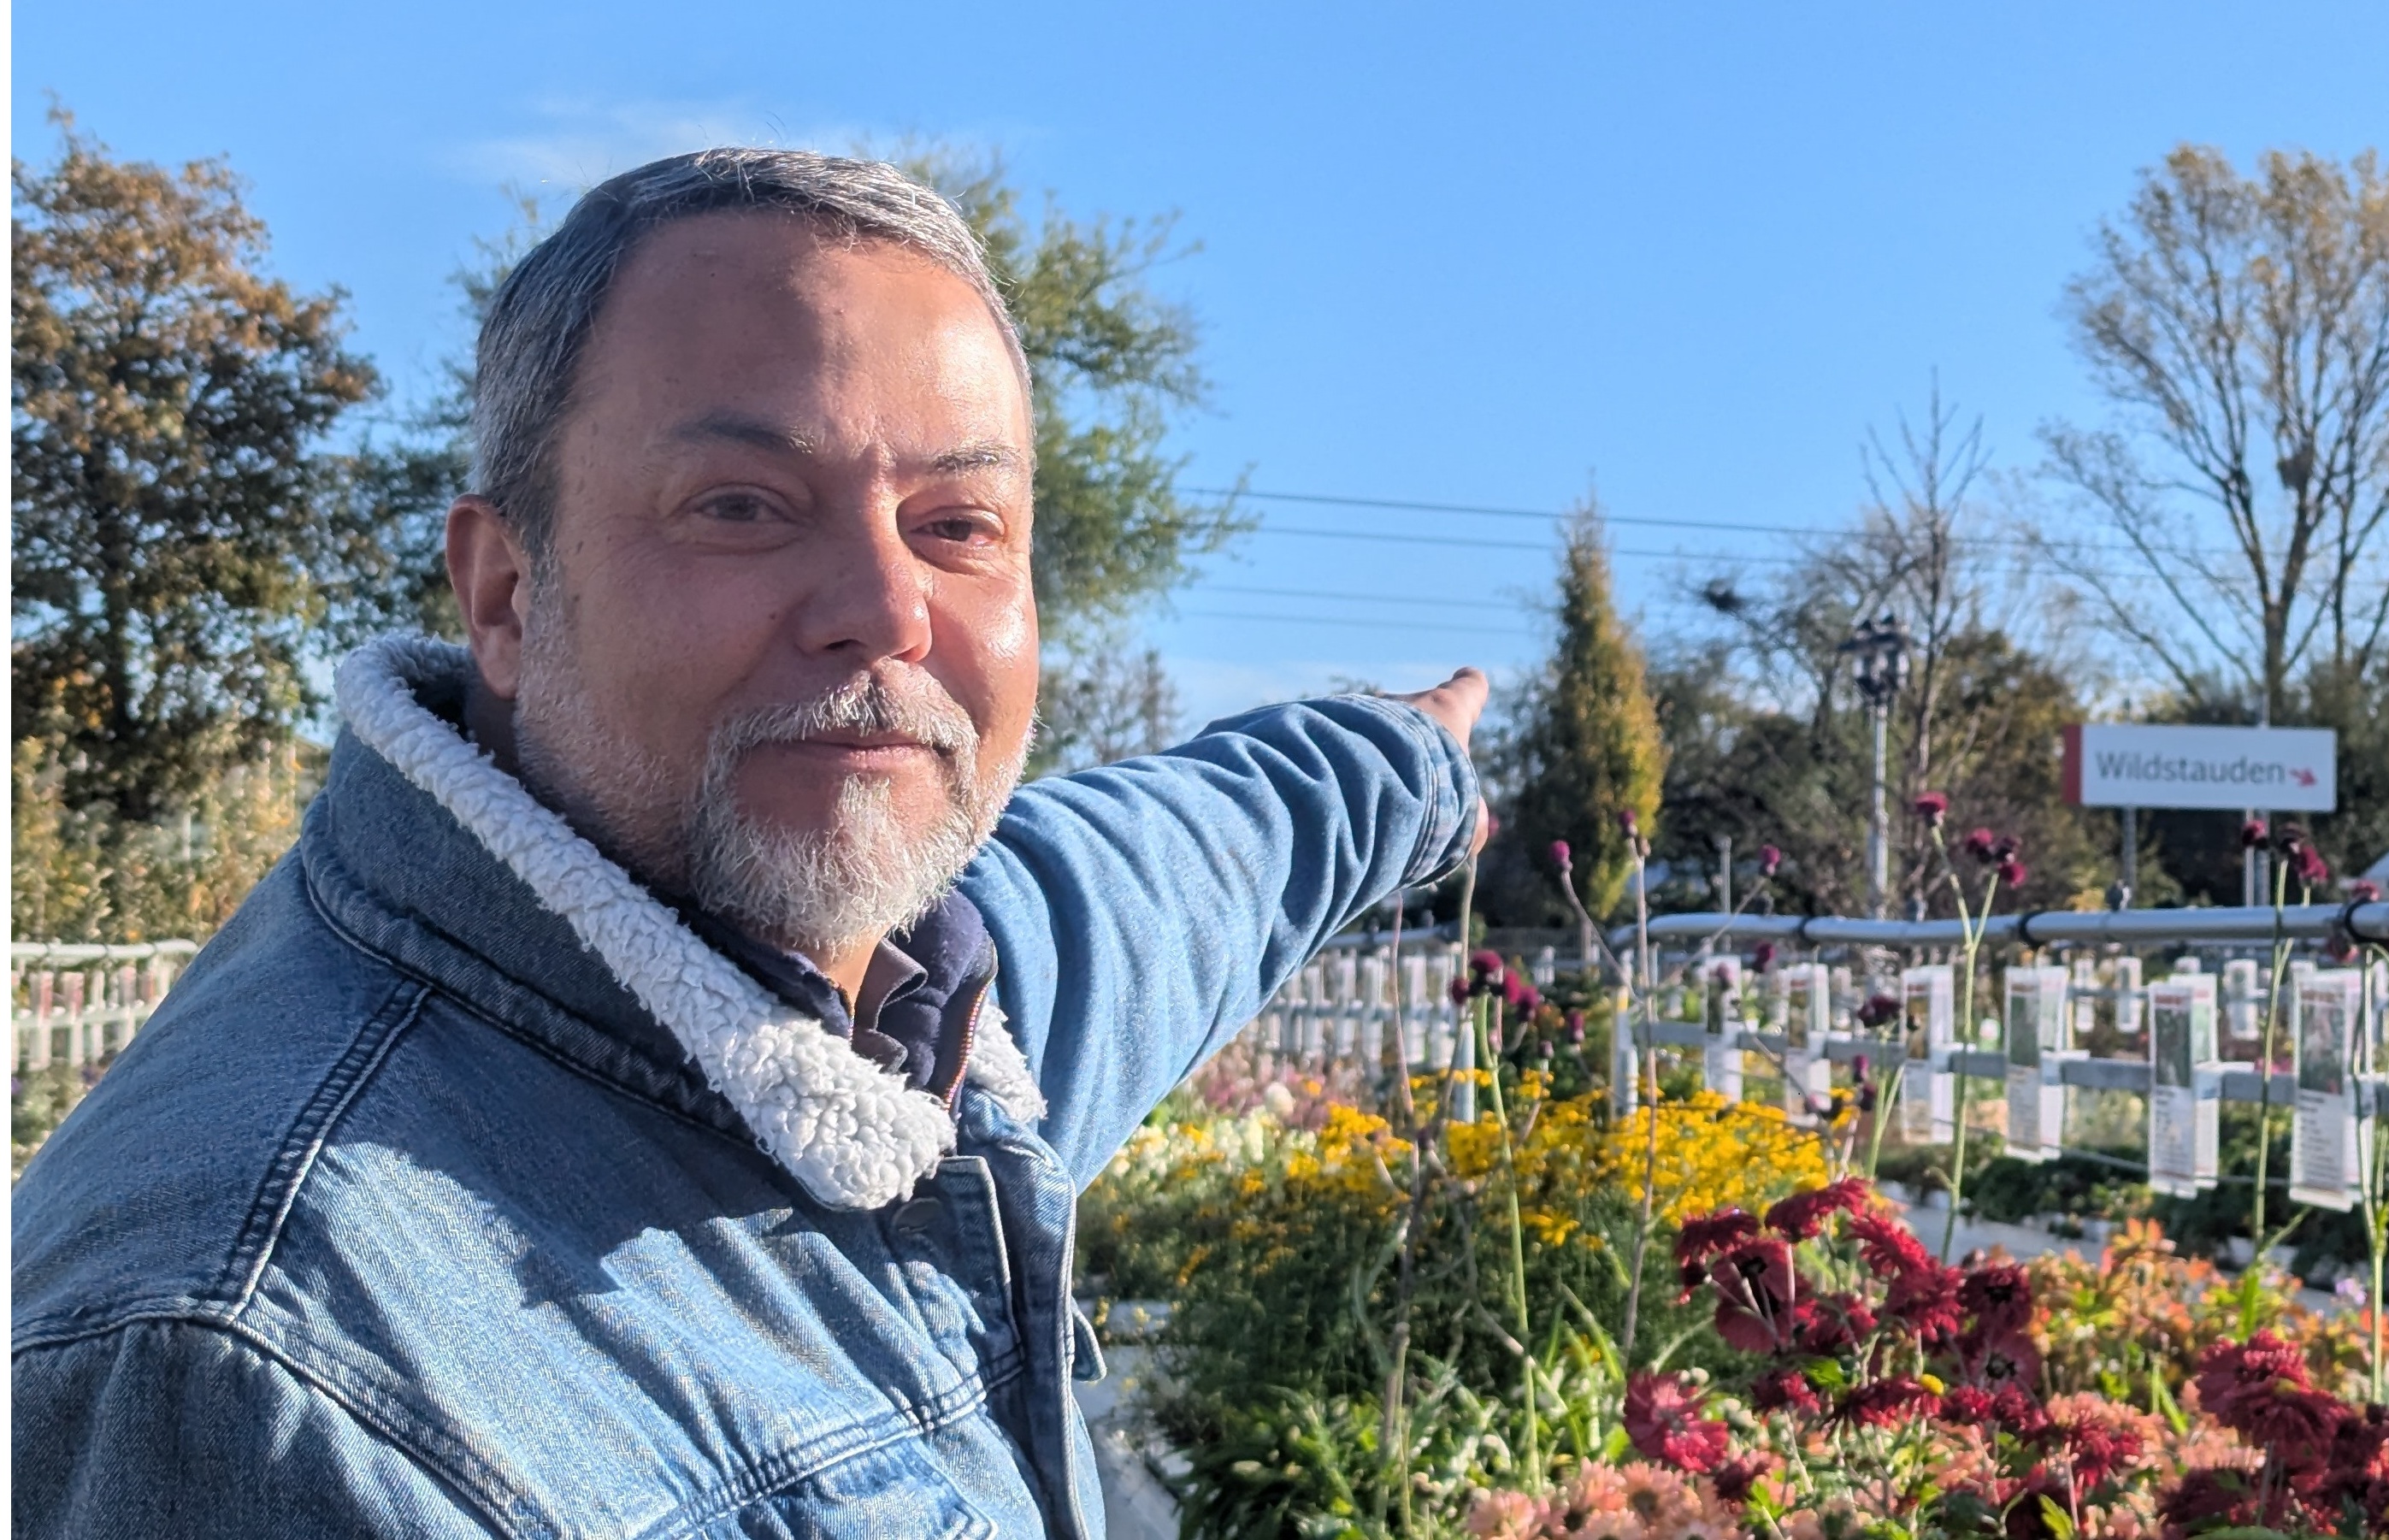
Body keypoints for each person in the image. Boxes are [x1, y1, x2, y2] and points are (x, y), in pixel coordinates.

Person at [10, 149, 1486, 1539]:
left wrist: (1403, 760)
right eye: (741, 507)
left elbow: (1182, 864)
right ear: (508, 594)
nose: (889, 608)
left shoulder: (916, 1003)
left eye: (958, 522)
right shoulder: (251, 1364)